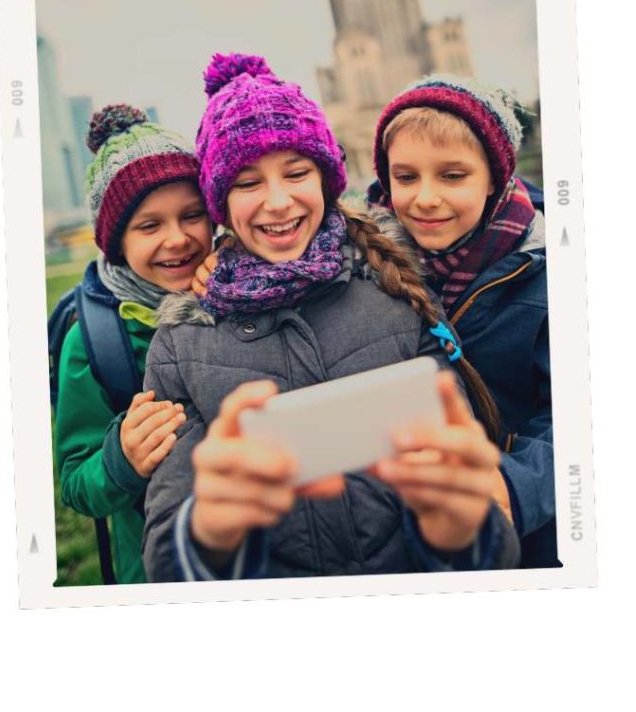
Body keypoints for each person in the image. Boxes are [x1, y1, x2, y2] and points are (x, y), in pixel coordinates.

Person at [141, 54, 520, 582]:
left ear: (326, 180)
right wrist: (206, 533)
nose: (277, 202)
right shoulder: (182, 343)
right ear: (220, 203)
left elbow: (475, 500)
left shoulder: (397, 287)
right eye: (247, 183)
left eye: (296, 173)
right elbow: (165, 554)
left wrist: (462, 533)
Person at [369, 74, 557, 568]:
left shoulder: (548, 270)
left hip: (531, 530)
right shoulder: (369, 258)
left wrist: (512, 487)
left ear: (495, 177)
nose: (426, 198)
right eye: (406, 177)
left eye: (452, 176)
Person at [54, 104, 211, 584]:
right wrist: (121, 459)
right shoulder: (93, 341)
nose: (178, 238)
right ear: (116, 242)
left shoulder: (241, 290)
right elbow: (77, 482)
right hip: (154, 568)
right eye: (149, 226)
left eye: (192, 215)